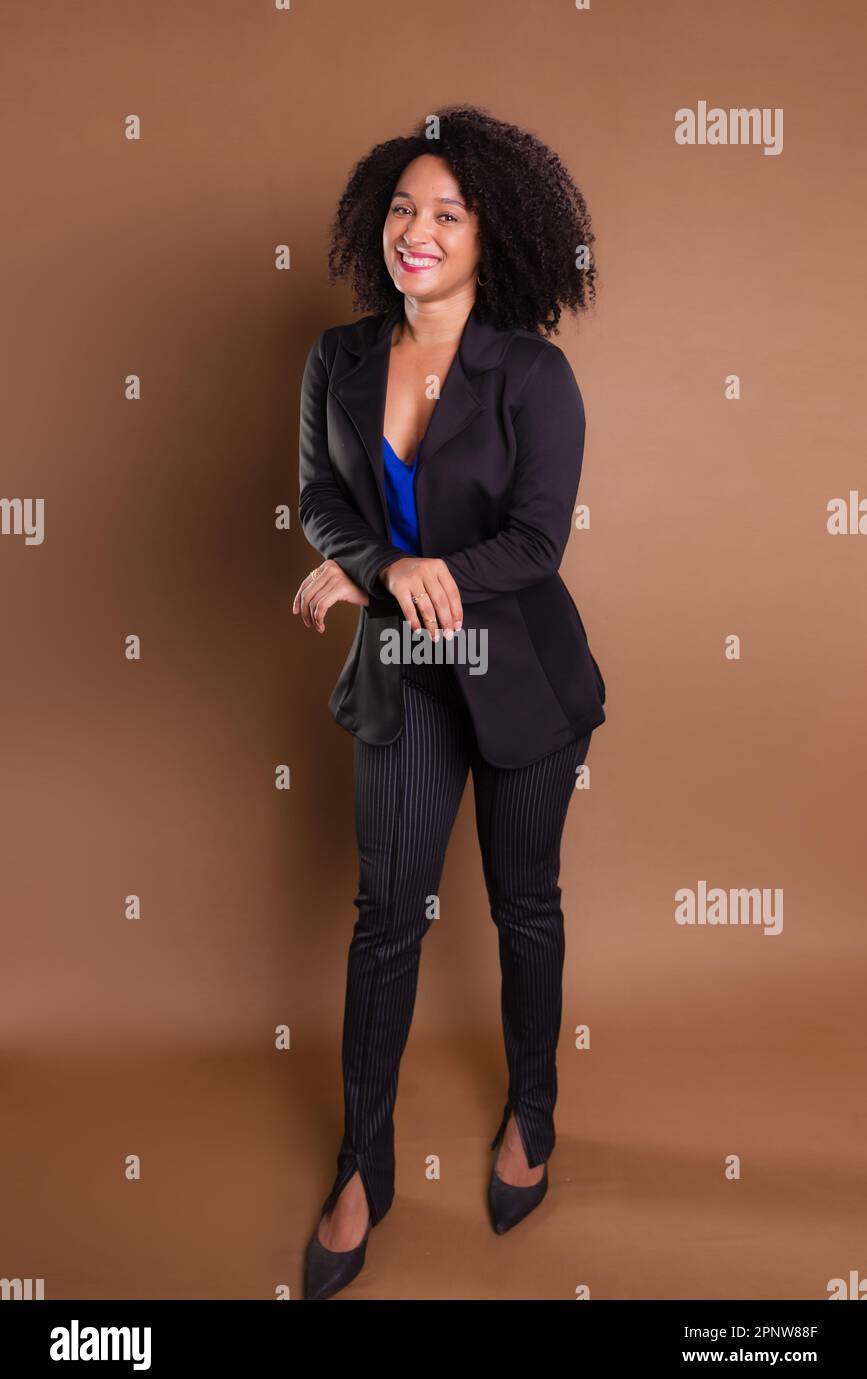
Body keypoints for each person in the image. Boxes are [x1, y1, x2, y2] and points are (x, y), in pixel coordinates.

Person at [292, 104, 606, 1300]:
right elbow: (322, 502)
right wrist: (377, 567)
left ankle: (534, 1110)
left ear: (492, 237)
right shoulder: (337, 360)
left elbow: (536, 541)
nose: (415, 231)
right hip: (404, 679)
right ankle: (362, 1167)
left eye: (447, 214)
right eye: (401, 209)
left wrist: (413, 569)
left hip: (524, 678)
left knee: (525, 907)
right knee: (387, 918)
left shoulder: (534, 373)